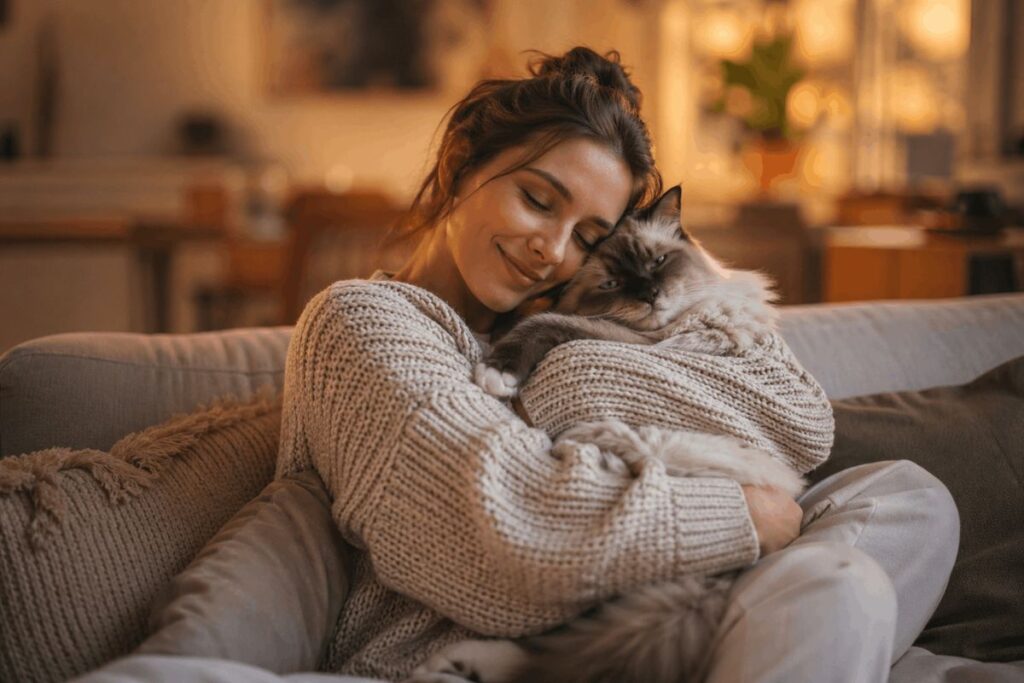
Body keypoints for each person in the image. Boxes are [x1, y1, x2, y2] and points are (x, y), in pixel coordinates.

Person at [275, 47, 959, 682]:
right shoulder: (364, 320)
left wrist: (671, 283)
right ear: (463, 164)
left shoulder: (584, 320)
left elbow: (800, 419)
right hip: (499, 647)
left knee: (908, 496)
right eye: (538, 199)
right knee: (847, 585)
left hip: (668, 605)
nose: (552, 247)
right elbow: (510, 538)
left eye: (589, 237)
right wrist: (743, 514)